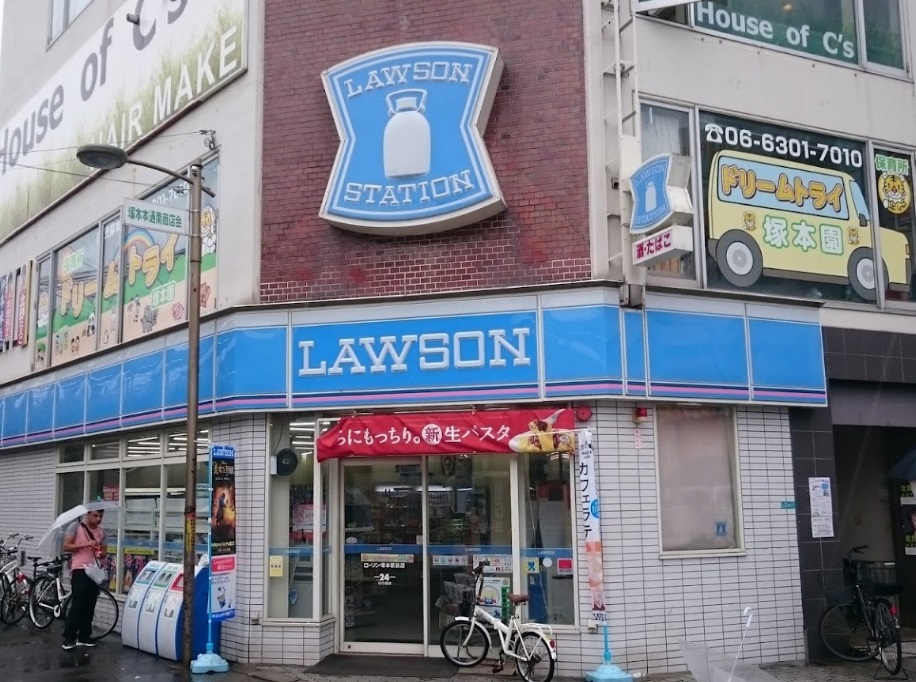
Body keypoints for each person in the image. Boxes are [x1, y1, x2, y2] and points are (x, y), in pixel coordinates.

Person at [61, 509, 107, 650]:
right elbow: (66, 546)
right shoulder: (76, 526)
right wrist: (86, 544)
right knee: (79, 602)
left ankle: (84, 635)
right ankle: (69, 637)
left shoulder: (101, 532)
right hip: (80, 569)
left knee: (90, 603)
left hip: (94, 570)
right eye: (95, 515)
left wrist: (101, 553)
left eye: (100, 516)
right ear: (88, 515)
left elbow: (105, 551)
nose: (98, 519)